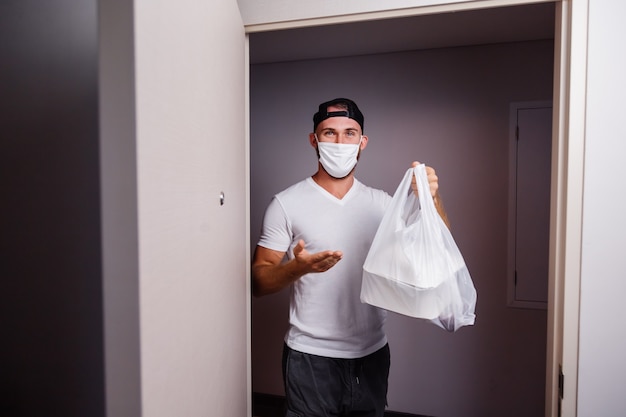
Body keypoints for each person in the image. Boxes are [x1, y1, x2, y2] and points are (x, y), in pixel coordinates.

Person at [252, 98, 449, 417]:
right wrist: (295, 269)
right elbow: (259, 281)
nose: (340, 142)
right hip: (309, 357)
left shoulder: (382, 205)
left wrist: (431, 196)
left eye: (350, 133)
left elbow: (434, 247)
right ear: (313, 140)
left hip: (370, 354)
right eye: (329, 133)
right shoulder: (286, 204)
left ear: (362, 142)